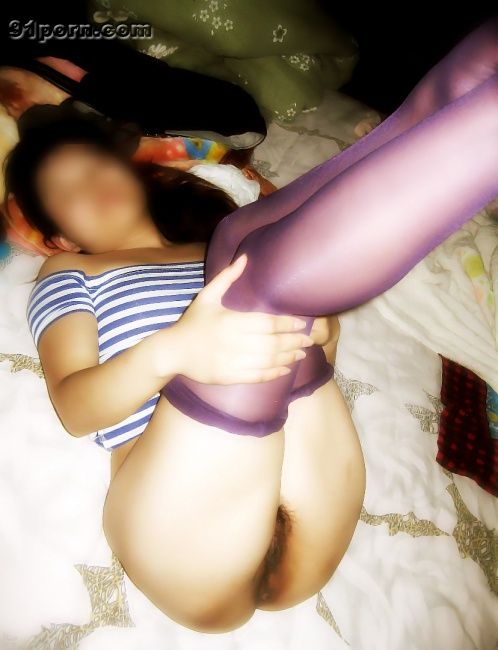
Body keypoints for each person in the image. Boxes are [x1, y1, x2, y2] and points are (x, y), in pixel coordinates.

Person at [4, 14, 497, 633]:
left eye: (97, 165)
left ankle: (435, 111)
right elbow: (76, 409)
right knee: (248, 272)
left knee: (241, 241)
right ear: (57, 237)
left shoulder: (215, 241)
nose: (94, 181)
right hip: (176, 533)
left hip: (311, 498)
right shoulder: (71, 271)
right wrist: (177, 350)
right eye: (68, 188)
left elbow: (301, 358)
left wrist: (323, 332)